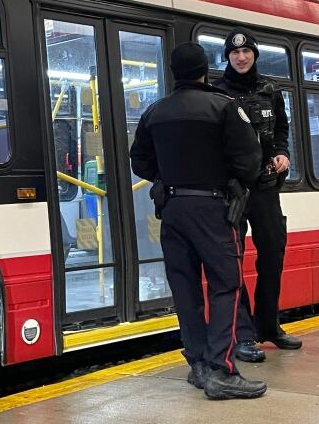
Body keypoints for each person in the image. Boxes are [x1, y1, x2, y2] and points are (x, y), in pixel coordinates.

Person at [130, 42, 265, 400]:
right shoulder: (224, 107)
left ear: (174, 72)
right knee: (225, 285)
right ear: (205, 70)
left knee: (185, 289)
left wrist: (169, 176)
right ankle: (222, 369)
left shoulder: (154, 112)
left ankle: (200, 366)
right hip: (213, 210)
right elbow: (250, 162)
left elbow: (139, 162)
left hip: (172, 210)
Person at [212, 28, 303, 363]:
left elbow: (281, 127)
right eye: (234, 53)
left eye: (246, 52)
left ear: (254, 55)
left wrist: (282, 153)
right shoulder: (216, 92)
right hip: (233, 189)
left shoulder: (270, 89)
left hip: (265, 187)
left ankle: (269, 326)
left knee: (273, 256)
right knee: (231, 262)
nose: (240, 57)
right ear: (228, 57)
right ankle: (243, 334)